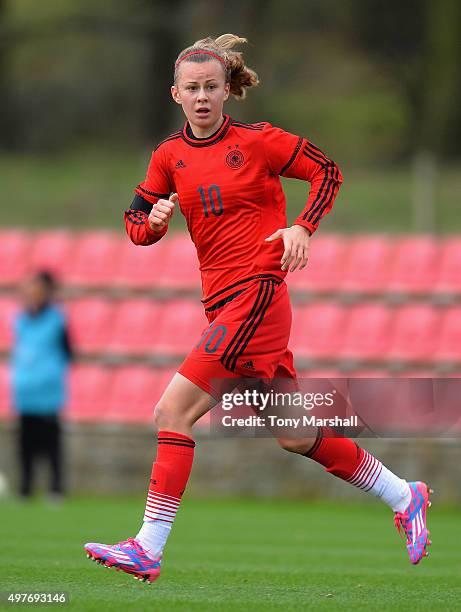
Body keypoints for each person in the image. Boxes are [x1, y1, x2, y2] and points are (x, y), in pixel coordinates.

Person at [84, 34, 432, 582]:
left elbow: (328, 171)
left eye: (211, 87)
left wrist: (302, 226)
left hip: (258, 297)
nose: (202, 97)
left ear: (227, 91)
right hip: (224, 306)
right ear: (175, 94)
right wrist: (151, 226)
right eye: (191, 89)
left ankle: (148, 545)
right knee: (295, 434)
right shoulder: (168, 157)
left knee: (171, 413)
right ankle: (403, 494)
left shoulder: (261, 141)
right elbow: (134, 222)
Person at [11, 270, 73, 500]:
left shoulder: (57, 320)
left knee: (51, 445)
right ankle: (25, 488)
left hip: (48, 392)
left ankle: (55, 488)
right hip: (25, 392)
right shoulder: (21, 320)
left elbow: (68, 352)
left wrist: (49, 372)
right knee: (25, 444)